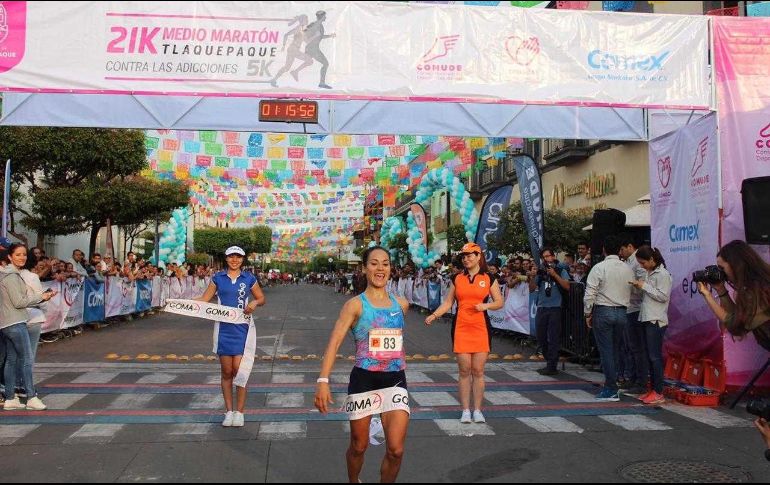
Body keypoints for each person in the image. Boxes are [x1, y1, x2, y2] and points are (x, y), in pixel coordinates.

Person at [315, 246, 410, 483]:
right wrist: (323, 381)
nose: (380, 269)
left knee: (396, 450)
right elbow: (334, 343)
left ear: (390, 268)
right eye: (374, 263)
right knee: (359, 445)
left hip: (395, 380)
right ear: (365, 268)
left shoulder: (401, 305)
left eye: (385, 264)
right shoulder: (355, 305)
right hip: (364, 380)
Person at [425, 242, 504, 423]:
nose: (466, 259)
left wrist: (486, 305)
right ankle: (465, 410)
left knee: (478, 370)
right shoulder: (457, 278)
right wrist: (434, 315)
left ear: (478, 257)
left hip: (481, 328)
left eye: (470, 255)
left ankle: (477, 410)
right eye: (464, 256)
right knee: (464, 370)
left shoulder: (489, 278)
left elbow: (499, 302)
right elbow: (448, 302)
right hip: (461, 327)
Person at [196, 246, 265, 427]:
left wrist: (255, 302)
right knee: (226, 372)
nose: (234, 260)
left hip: (242, 328)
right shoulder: (218, 278)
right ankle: (228, 412)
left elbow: (261, 298)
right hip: (223, 329)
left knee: (239, 371)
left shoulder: (249, 278)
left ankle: (240, 412)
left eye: (238, 257)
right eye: (231, 257)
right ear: (226, 259)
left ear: (243, 259)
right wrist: (177, 304)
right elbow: (204, 300)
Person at [0, 244, 57, 411]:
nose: (22, 257)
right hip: (15, 322)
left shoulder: (9, 274)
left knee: (11, 360)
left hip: (8, 322)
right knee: (26, 360)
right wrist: (42, 297)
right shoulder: (11, 276)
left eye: (24, 254)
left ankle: (10, 398)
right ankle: (31, 397)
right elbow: (19, 302)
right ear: (9, 257)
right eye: (18, 254)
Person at [583, 235, 633, 402]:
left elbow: (590, 292)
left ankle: (611, 387)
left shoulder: (599, 267)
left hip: (603, 311)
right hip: (622, 312)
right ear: (620, 250)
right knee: (615, 349)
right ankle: (615, 381)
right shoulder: (627, 268)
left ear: (604, 250)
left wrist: (587, 313)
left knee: (606, 351)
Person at [698, 240, 770, 349]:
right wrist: (720, 289)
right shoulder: (757, 284)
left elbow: (735, 326)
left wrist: (707, 295)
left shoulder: (759, 291)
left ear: (737, 265)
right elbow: (737, 316)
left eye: (722, 269)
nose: (720, 273)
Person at [630, 246, 672, 405]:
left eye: (643, 263)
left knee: (655, 357)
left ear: (652, 260)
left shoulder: (663, 274)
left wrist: (644, 286)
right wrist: (640, 286)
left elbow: (662, 296)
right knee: (650, 356)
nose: (642, 266)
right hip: (647, 317)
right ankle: (654, 389)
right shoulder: (650, 273)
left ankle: (659, 391)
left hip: (656, 320)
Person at [527, 248, 571, 376]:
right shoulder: (540, 272)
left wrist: (554, 275)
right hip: (542, 307)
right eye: (544, 257)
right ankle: (549, 360)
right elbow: (531, 289)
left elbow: (567, 286)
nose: (547, 259)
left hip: (555, 307)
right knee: (541, 336)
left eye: (548, 256)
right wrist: (532, 277)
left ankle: (552, 365)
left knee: (553, 337)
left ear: (553, 256)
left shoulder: (561, 270)